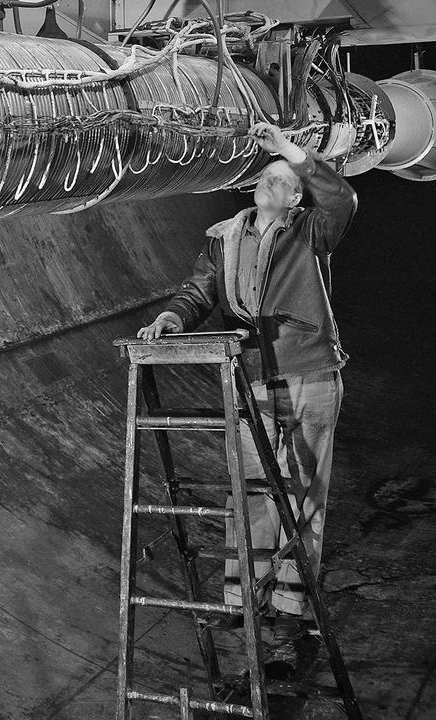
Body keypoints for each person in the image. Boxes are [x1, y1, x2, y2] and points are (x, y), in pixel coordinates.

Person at [136, 121, 358, 638]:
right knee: (252, 489)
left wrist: (289, 149)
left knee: (303, 492)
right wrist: (173, 317)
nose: (269, 183)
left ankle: (292, 602)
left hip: (311, 375)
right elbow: (198, 291)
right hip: (253, 377)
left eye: (283, 180)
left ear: (299, 196)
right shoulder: (223, 238)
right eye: (267, 174)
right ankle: (244, 598)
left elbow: (342, 198)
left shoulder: (311, 231)